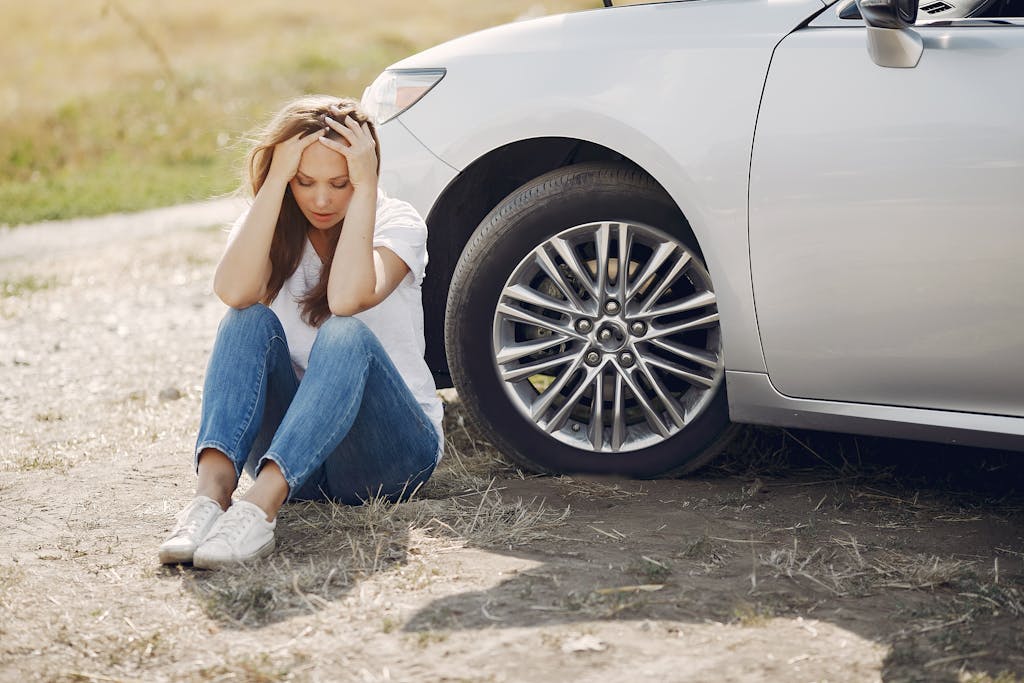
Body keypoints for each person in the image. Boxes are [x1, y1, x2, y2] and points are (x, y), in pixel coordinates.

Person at [158, 95, 444, 569]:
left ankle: (259, 508)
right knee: (245, 317)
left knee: (344, 333)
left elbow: (346, 299)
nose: (322, 199)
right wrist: (274, 181)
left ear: (364, 173)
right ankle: (210, 500)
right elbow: (232, 290)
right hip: (299, 462)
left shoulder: (398, 222)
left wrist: (367, 187)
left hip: (389, 455)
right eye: (305, 181)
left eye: (340, 182)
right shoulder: (270, 224)